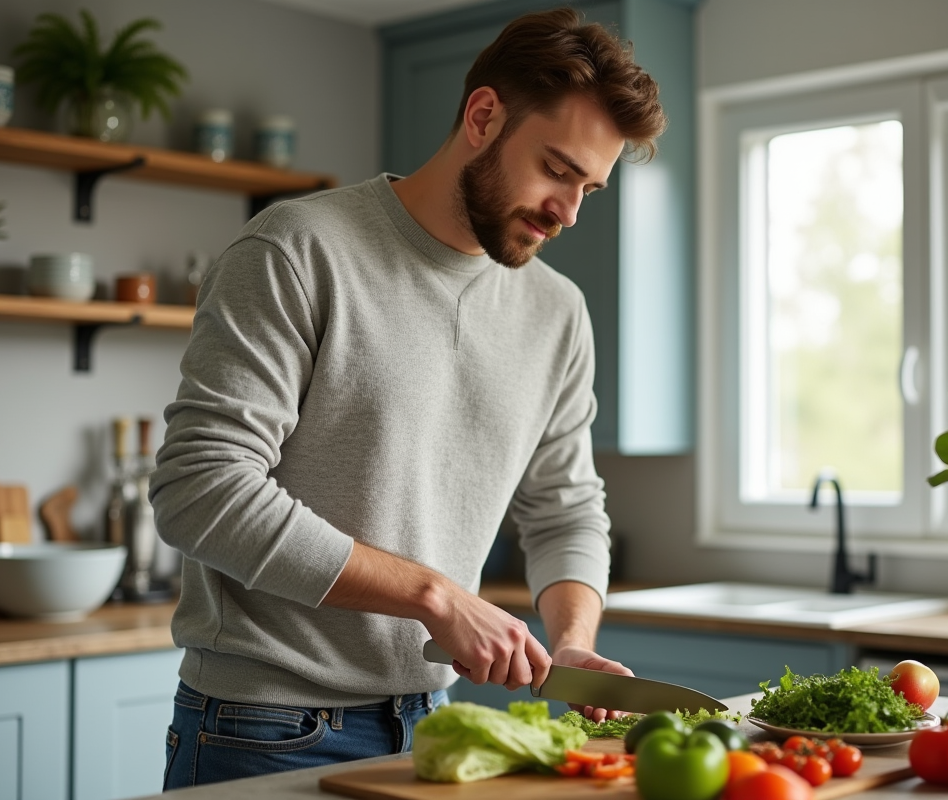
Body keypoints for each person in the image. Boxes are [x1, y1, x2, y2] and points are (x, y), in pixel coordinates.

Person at [152, 6, 666, 789]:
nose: (569, 211)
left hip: (435, 726)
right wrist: (432, 595)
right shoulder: (297, 251)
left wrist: (570, 640)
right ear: (484, 116)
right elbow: (199, 490)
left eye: (590, 187)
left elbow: (565, 509)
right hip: (262, 728)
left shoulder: (557, 312)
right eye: (558, 170)